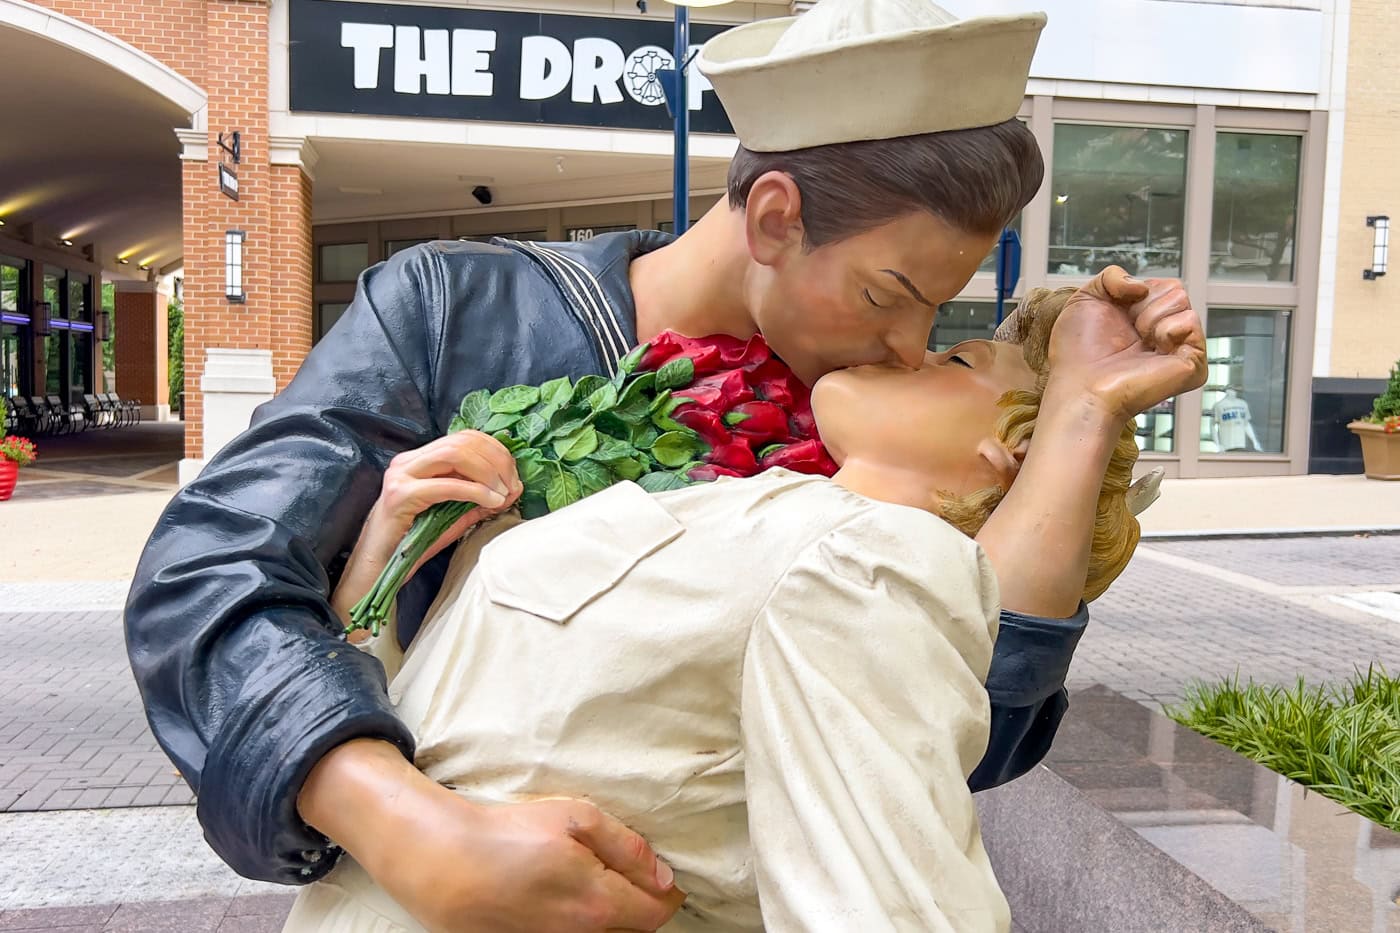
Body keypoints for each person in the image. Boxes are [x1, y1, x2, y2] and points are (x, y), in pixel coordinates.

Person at [124, 1, 1208, 930]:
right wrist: (409, 828)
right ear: (775, 217)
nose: (907, 345)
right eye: (887, 293)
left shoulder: (874, 433)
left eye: (937, 312)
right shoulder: (457, 310)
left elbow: (966, 731)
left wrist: (1076, 416)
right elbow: (211, 574)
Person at [279, 283, 1156, 933]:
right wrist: (379, 562)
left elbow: (888, 904)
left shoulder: (873, 562)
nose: (913, 350)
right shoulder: (747, 517)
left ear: (1006, 453)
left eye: (959, 361)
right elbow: (432, 731)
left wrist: (1087, 404)